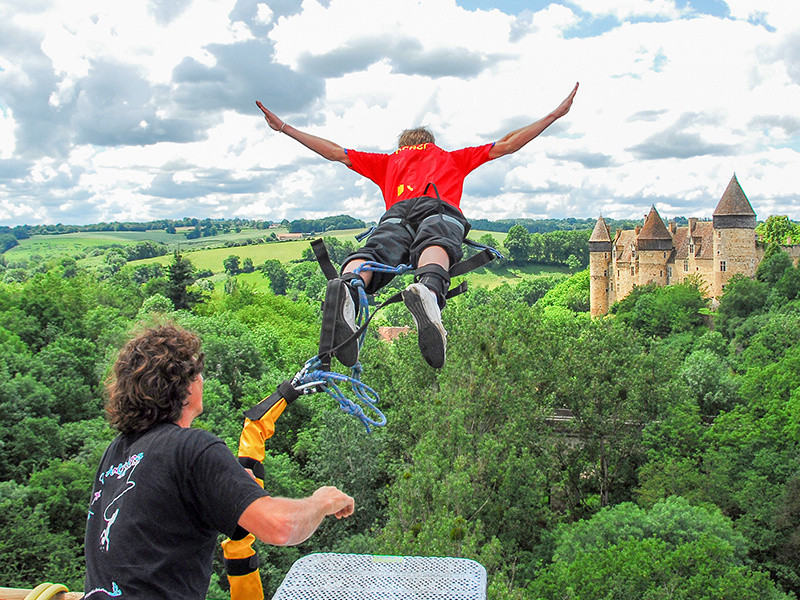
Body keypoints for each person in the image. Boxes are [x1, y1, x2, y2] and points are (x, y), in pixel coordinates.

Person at [257, 82, 578, 369]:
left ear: (402, 146)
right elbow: (508, 144)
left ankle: (349, 286)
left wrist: (285, 127)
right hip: (438, 207)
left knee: (374, 251)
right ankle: (428, 288)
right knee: (436, 243)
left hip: (396, 214)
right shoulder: (451, 158)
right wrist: (553, 115)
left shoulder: (388, 161)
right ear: (430, 143)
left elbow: (335, 152)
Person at [84, 324, 354, 600]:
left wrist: (230, 491)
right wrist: (322, 501)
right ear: (185, 388)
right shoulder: (192, 448)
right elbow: (281, 527)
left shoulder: (115, 453)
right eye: (197, 373)